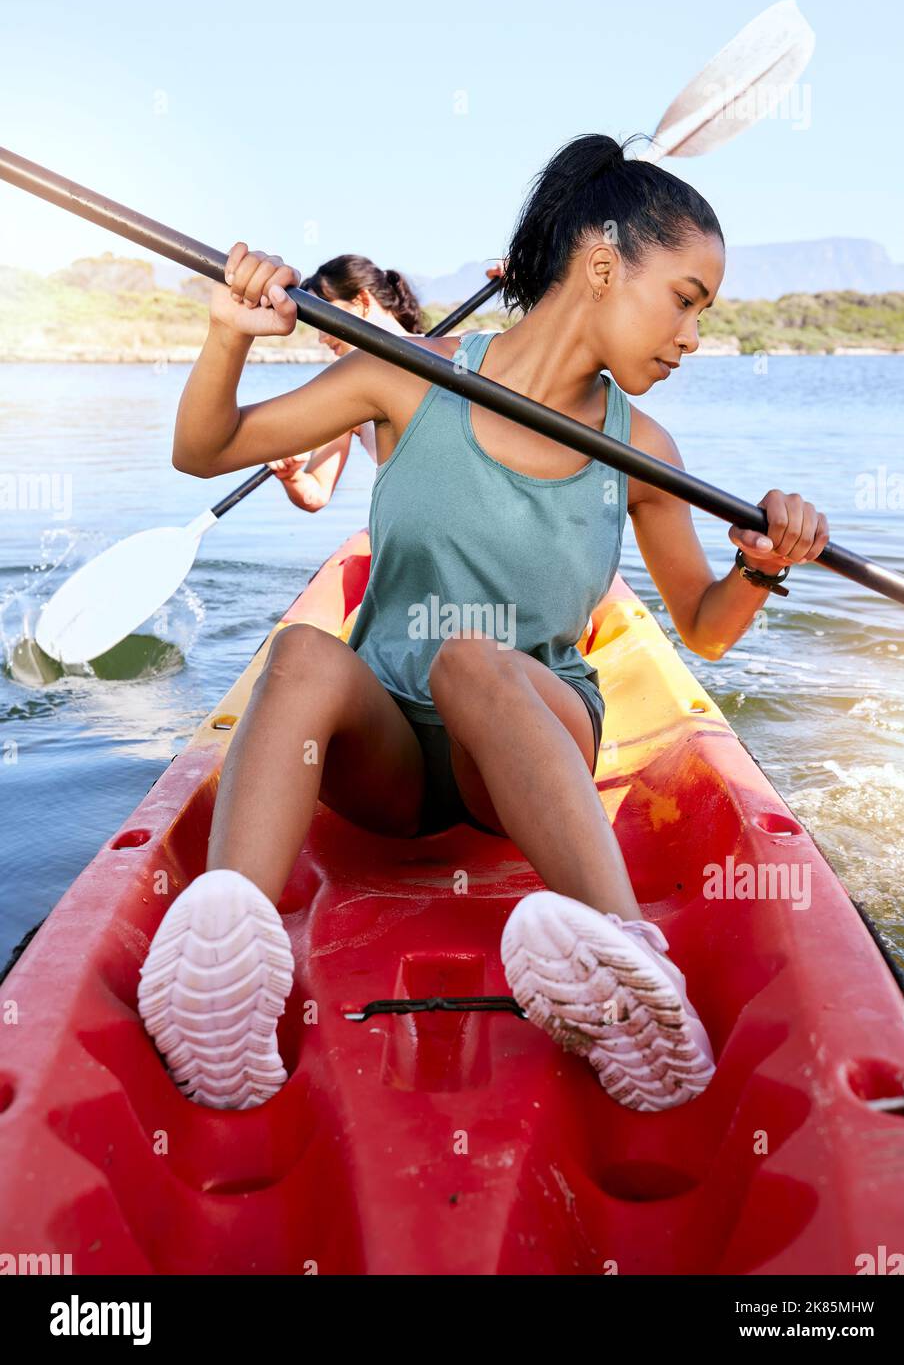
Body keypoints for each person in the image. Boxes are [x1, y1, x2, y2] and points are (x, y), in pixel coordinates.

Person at [138, 132, 829, 1114]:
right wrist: (230, 335)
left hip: (525, 744)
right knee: (299, 651)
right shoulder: (409, 375)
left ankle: (638, 977)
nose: (692, 337)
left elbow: (705, 627)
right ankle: (231, 973)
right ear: (600, 264)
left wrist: (759, 568)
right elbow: (204, 450)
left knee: (473, 658)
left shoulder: (647, 452)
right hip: (393, 767)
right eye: (686, 298)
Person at [267, 255, 425, 511]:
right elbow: (316, 493)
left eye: (323, 320)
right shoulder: (345, 392)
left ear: (362, 301)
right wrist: (292, 476)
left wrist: (516, 288)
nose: (321, 338)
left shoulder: (463, 349)